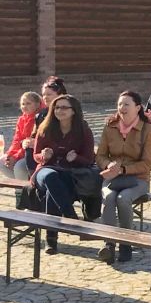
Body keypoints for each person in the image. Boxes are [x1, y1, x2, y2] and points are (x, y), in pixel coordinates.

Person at [93, 90, 151, 264]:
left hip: (137, 179)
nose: (122, 108)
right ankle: (109, 244)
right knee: (108, 197)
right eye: (120, 104)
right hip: (112, 177)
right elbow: (100, 155)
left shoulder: (147, 129)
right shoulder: (110, 126)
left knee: (123, 198)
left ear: (138, 108)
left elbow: (147, 163)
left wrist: (124, 169)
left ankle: (126, 243)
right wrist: (109, 165)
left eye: (126, 104)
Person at [31, 94, 96, 253]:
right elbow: (35, 155)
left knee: (51, 194)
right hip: (44, 171)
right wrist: (43, 156)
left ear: (74, 111)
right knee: (50, 176)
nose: (59, 110)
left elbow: (89, 159)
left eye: (64, 107)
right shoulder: (45, 128)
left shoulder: (83, 131)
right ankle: (70, 215)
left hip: (68, 175)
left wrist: (76, 158)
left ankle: (51, 240)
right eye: (57, 107)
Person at [0, 92, 41, 184]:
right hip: (20, 152)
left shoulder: (38, 119)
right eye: (23, 104)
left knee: (19, 167)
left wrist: (16, 157)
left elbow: (28, 143)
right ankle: (22, 186)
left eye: (28, 103)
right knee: (2, 162)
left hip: (31, 153)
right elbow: (17, 139)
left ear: (37, 104)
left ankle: (23, 188)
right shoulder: (21, 119)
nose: (24, 106)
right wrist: (10, 155)